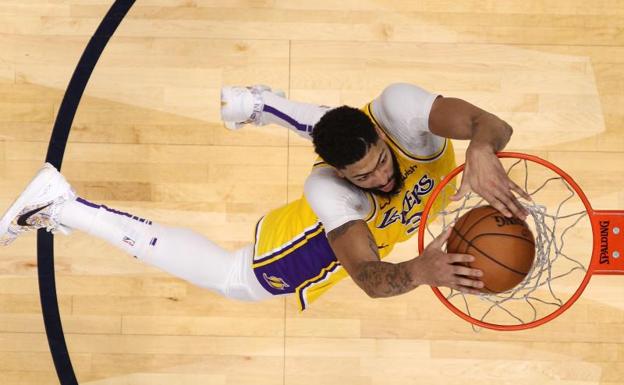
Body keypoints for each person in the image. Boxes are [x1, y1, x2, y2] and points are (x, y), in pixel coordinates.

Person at [0, 83, 529, 310]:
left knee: (338, 125)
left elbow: (491, 123)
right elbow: (369, 279)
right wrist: (420, 271)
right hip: (333, 242)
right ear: (341, 176)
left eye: (381, 162)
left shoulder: (401, 112)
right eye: (364, 176)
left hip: (371, 154)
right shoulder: (329, 192)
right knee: (235, 281)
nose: (382, 178)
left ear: (384, 138)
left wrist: (481, 148)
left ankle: (256, 103)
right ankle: (62, 203)